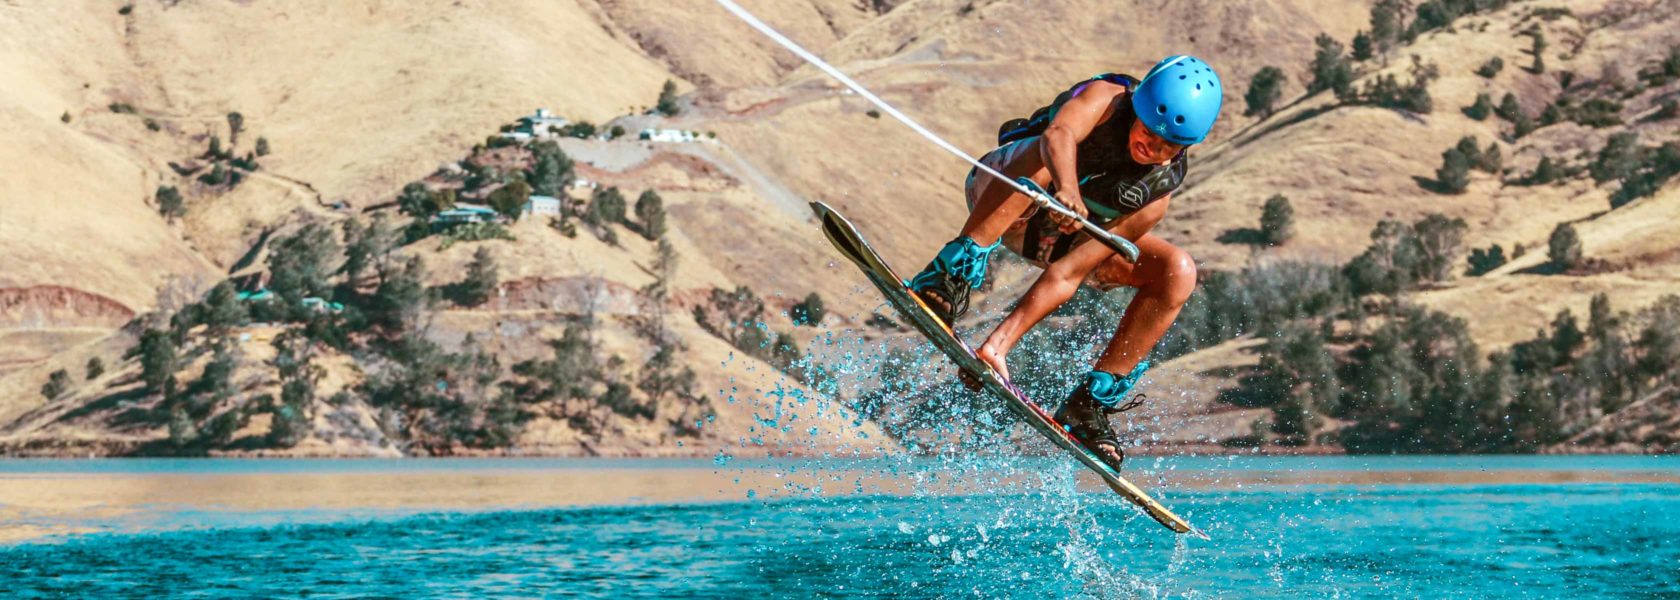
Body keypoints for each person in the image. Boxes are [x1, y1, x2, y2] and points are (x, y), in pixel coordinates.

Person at [904, 55, 1223, 470]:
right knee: (1041, 158)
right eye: (1147, 131)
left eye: (1167, 147)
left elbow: (1066, 274)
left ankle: (1090, 404)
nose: (1151, 147)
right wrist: (1067, 190)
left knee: (1178, 270)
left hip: (1055, 241)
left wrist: (996, 348)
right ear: (1138, 109)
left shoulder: (1155, 196)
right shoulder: (1105, 100)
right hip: (1000, 194)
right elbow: (1058, 134)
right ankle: (947, 276)